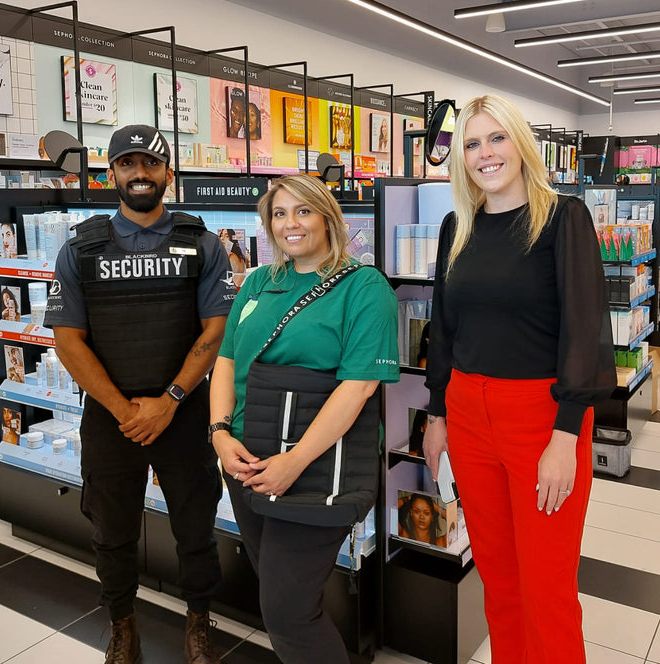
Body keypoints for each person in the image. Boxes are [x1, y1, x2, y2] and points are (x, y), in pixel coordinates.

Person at [421, 94, 615, 663]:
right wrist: (436, 415)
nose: (486, 154)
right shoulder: (458, 226)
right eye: (473, 143)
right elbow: (445, 326)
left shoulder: (562, 218)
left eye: (496, 138)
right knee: (500, 583)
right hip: (467, 412)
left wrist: (565, 437)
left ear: (521, 143)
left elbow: (585, 329)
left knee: (546, 587)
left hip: (541, 417)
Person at [47, 124, 235, 664]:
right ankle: (122, 626)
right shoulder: (81, 249)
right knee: (111, 530)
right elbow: (68, 341)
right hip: (112, 417)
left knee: (196, 524)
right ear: (112, 175)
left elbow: (215, 330)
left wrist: (170, 399)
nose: (140, 174)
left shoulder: (201, 243)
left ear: (168, 174)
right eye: (127, 165)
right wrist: (123, 409)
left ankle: (198, 622)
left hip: (184, 409)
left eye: (150, 165)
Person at [209, 174, 398, 664]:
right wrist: (219, 434)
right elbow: (227, 361)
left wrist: (292, 463)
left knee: (287, 609)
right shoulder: (256, 282)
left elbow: (357, 387)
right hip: (248, 462)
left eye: (302, 212)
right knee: (282, 599)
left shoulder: (364, 287)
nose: (289, 224)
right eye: (278, 214)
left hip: (316, 467)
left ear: (327, 217)